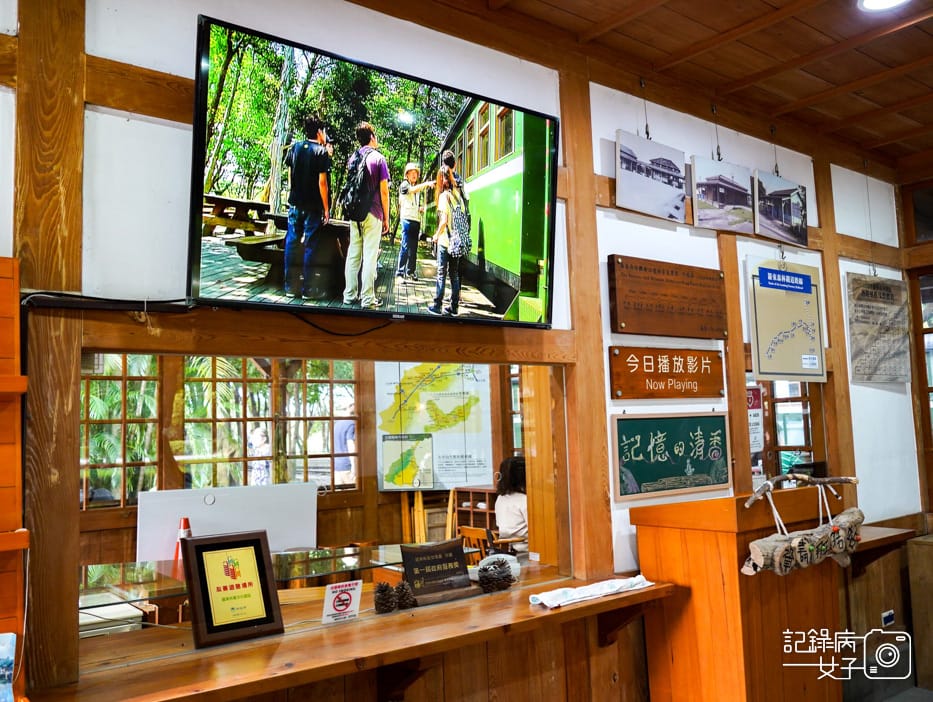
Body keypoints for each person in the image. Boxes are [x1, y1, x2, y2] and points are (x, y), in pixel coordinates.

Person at [342, 121, 390, 309]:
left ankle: (349, 295)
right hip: (373, 212)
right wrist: (386, 217)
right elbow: (384, 192)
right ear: (371, 137)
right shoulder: (378, 159)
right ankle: (367, 299)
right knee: (370, 256)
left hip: (354, 213)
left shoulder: (352, 158)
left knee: (353, 254)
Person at [283, 115, 332, 298]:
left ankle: (289, 287)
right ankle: (308, 289)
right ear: (320, 132)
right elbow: (322, 183)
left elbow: (290, 173)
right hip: (313, 206)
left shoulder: (295, 147)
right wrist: (326, 208)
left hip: (295, 203)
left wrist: (293, 193)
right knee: (311, 245)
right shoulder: (321, 151)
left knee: (292, 242)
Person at [427, 165, 465, 316]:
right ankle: (454, 308)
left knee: (441, 273)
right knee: (454, 274)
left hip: (445, 241)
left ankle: (437, 306)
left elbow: (443, 221)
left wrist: (436, 235)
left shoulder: (444, 196)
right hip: (456, 242)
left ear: (442, 179)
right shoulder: (457, 195)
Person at [396, 162, 433, 280]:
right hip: (407, 220)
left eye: (415, 173)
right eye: (411, 173)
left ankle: (410, 272)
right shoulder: (404, 185)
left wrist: (420, 208)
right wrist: (426, 184)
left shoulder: (416, 190)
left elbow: (414, 200)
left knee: (413, 249)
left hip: (416, 220)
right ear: (406, 175)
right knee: (405, 247)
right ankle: (400, 273)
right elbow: (410, 191)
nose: (414, 175)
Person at [494, 455, 528, 557]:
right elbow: (537, 530)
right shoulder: (525, 500)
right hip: (525, 552)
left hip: (507, 550)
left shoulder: (500, 498)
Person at [334, 402, 356, 485]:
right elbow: (351, 445)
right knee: (353, 494)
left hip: (336, 465)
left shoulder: (337, 424)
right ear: (350, 407)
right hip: (347, 465)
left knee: (339, 495)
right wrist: (354, 466)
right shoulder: (351, 424)